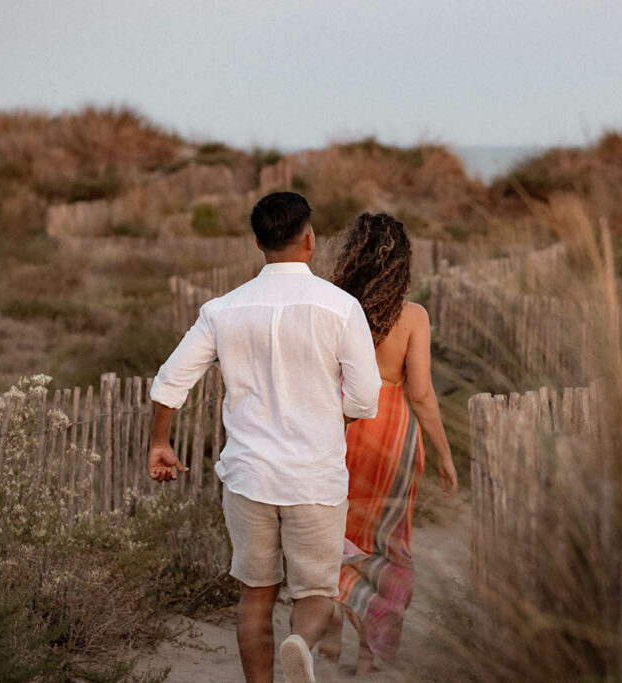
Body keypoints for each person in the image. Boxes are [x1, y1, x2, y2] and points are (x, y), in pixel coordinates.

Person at [146, 192, 382, 683]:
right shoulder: (341, 308)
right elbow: (364, 399)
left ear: (257, 241)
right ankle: (300, 642)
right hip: (314, 476)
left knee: (254, 595)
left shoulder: (223, 309)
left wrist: (160, 444)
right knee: (314, 593)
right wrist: (330, 419)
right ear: (311, 240)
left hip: (249, 475)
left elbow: (172, 379)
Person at [317, 212, 459, 675]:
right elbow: (420, 393)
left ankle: (334, 632)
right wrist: (444, 452)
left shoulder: (335, 307)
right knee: (386, 546)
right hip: (393, 439)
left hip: (341, 430)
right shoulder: (414, 317)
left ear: (352, 256)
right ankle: (368, 655)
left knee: (336, 536)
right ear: (402, 262)